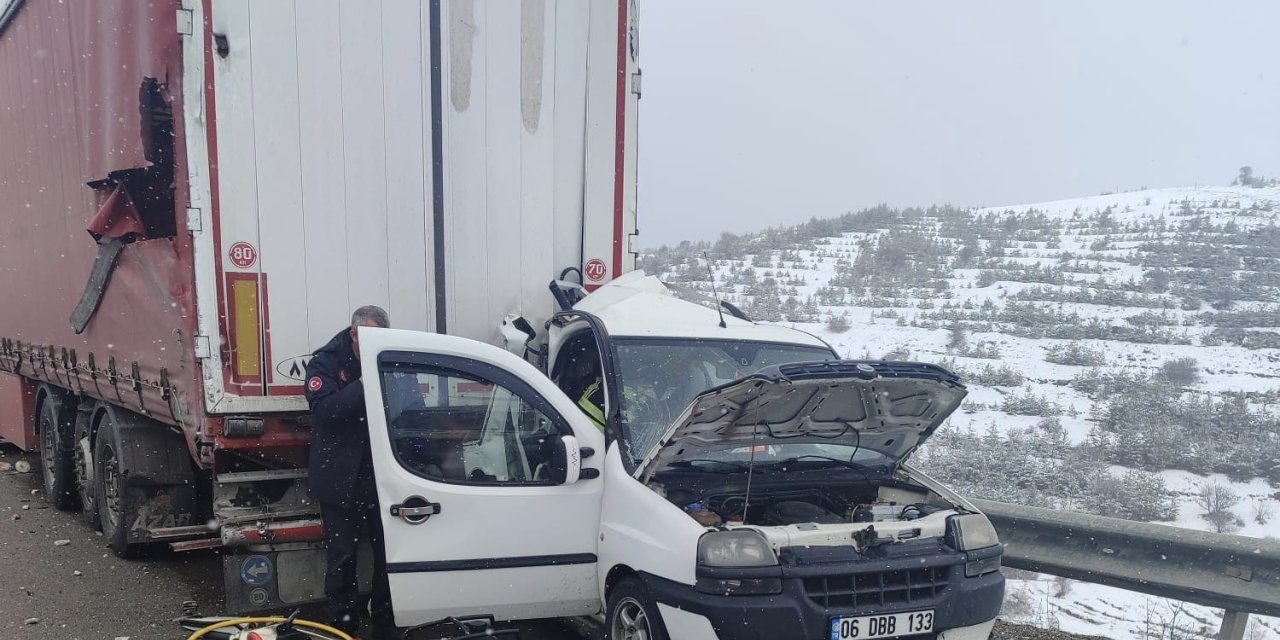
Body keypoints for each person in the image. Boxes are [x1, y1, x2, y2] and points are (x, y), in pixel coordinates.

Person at [305, 305, 395, 639]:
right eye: (370, 337)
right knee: (342, 559)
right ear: (354, 333)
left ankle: (386, 625)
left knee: (389, 557)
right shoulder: (325, 362)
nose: (376, 344)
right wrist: (363, 383)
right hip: (339, 478)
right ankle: (344, 627)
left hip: (381, 477)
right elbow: (325, 411)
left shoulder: (387, 355)